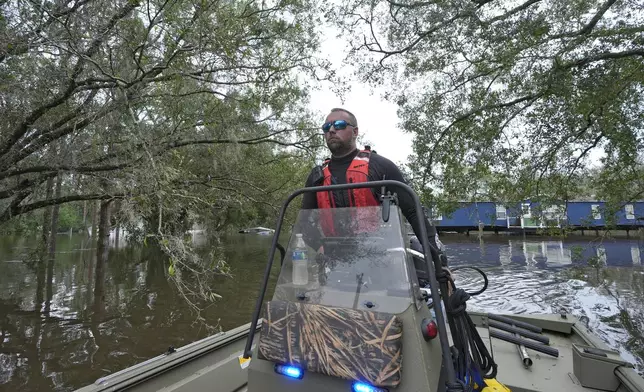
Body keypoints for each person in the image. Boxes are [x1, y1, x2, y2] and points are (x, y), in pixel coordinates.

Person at [300, 108, 443, 261]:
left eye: (339, 125)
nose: (332, 130)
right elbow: (304, 221)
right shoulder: (317, 178)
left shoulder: (381, 166)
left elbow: (414, 213)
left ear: (355, 132)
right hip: (335, 264)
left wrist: (439, 262)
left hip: (380, 260)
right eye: (326, 127)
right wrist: (319, 246)